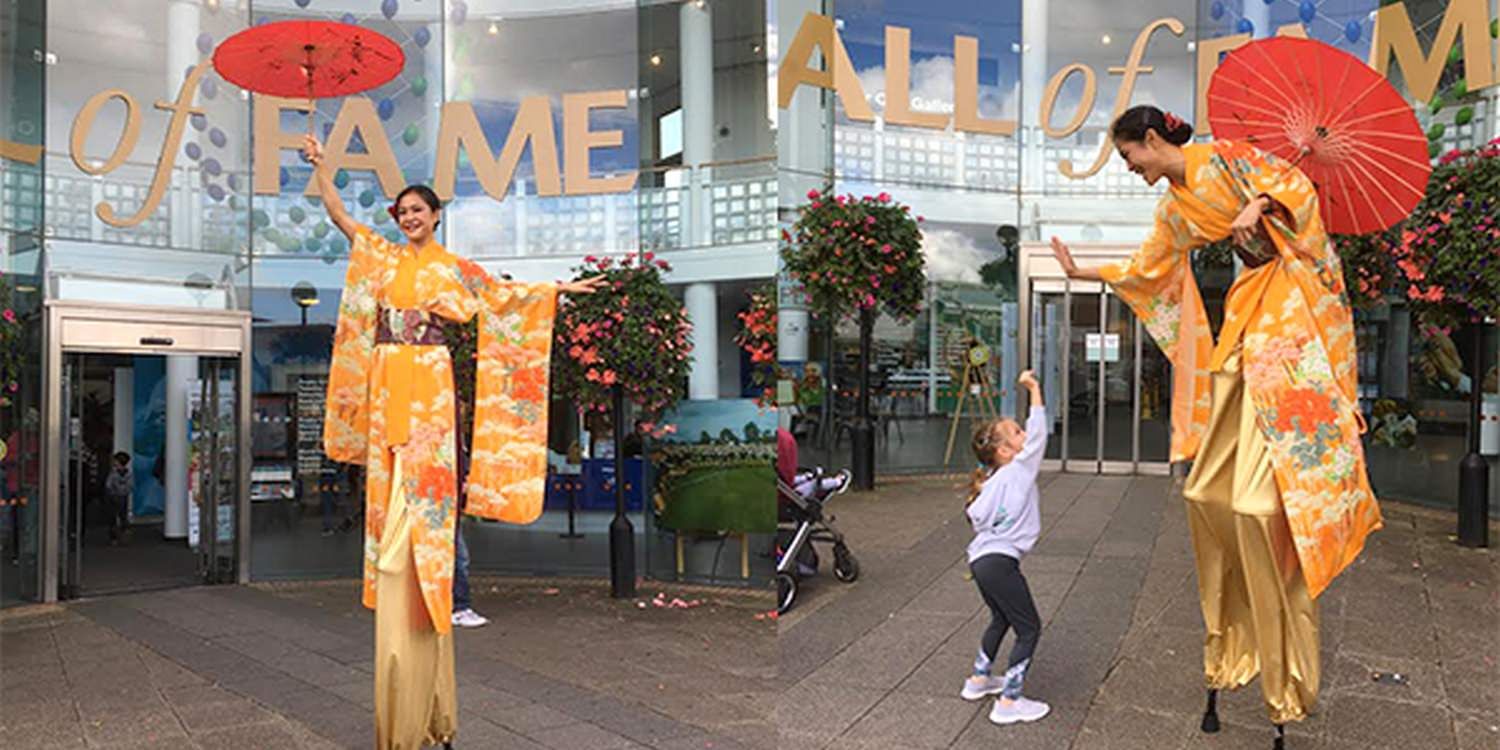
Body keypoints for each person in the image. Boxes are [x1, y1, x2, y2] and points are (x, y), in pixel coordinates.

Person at [1050, 105, 1382, 749]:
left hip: (1292, 302)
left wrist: (1260, 205)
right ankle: (1233, 646)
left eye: (1129, 156)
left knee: (1262, 503)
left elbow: (1299, 196)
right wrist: (1083, 272)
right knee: (1207, 493)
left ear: (1151, 139)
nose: (1131, 169)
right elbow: (1151, 268)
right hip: (1249, 308)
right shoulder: (1176, 208)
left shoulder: (1231, 158)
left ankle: (1288, 643)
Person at [306, 134, 604, 750]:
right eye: (402, 211)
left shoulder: (452, 269)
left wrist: (562, 292)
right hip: (388, 370)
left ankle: (442, 569)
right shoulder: (384, 259)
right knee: (389, 472)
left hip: (431, 375)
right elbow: (337, 216)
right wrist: (321, 168)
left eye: (418, 210)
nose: (409, 217)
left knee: (431, 478)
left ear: (436, 215)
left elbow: (505, 294)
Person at [960, 370, 1049, 726]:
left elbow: (978, 519)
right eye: (1016, 433)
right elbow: (1040, 436)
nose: (1024, 435)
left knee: (1002, 618)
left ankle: (979, 680)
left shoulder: (992, 482)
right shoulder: (1018, 471)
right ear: (1005, 451)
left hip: (982, 562)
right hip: (999, 564)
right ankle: (1009, 701)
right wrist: (1034, 389)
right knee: (1029, 628)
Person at [104, 452, 132, 545]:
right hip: (123, 496)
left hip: (113, 496)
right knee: (122, 515)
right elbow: (130, 486)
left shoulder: (113, 473)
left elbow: (108, 484)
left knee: (112, 517)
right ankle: (123, 534)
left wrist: (112, 490)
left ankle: (114, 537)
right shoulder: (129, 474)